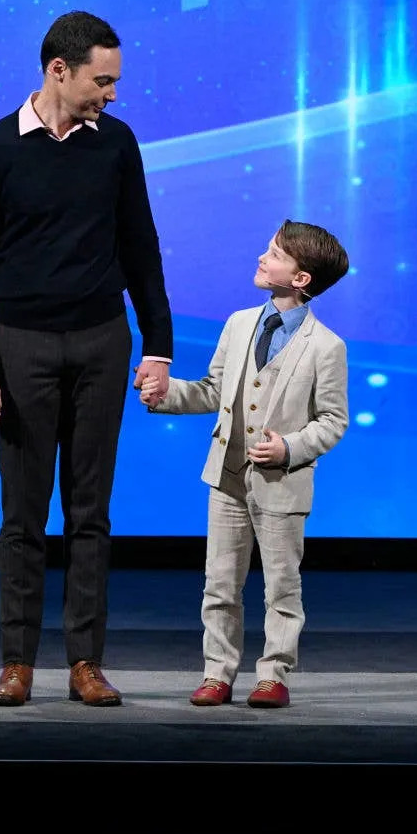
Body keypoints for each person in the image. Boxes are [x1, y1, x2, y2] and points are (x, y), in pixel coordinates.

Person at [0, 10, 172, 707]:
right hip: (20, 347)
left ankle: (86, 663)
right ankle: (17, 661)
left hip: (103, 342)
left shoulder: (117, 144)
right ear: (59, 70)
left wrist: (159, 346)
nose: (111, 94)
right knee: (22, 516)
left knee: (90, 513)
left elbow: (141, 248)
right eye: (102, 81)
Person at [139, 219, 349, 708]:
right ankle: (218, 673)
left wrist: (290, 447)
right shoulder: (238, 324)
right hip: (227, 477)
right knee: (220, 583)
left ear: (301, 279)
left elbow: (333, 420)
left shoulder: (326, 346)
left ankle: (273, 674)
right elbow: (213, 391)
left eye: (275, 253)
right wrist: (166, 394)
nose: (262, 257)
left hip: (282, 484)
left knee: (281, 586)